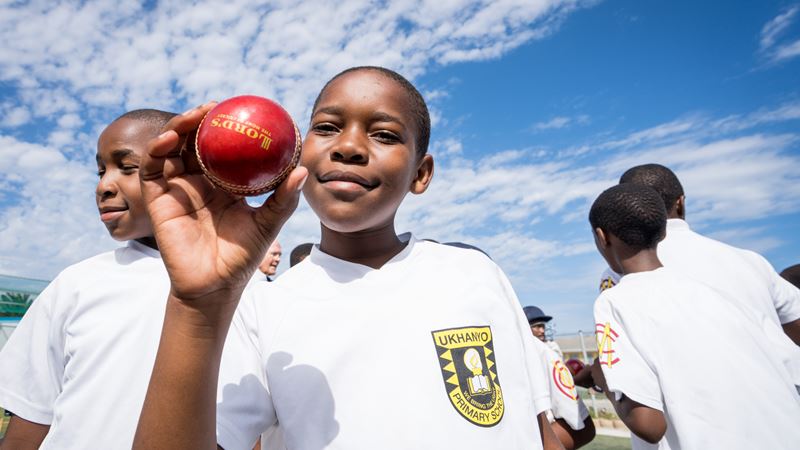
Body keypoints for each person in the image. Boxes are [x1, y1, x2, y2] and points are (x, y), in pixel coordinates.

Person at [133, 67, 562, 449]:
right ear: (297, 153)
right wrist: (196, 305)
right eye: (327, 127)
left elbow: (537, 427)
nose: (351, 146)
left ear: (421, 172)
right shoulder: (261, 308)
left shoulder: (475, 273)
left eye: (385, 134)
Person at [0, 109, 176, 449]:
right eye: (101, 170)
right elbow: (27, 428)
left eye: (127, 167)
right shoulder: (77, 284)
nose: (103, 186)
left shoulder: (245, 292)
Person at [587, 183, 800, 449]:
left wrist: (604, 379)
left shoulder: (615, 301)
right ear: (664, 232)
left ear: (601, 236)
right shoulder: (720, 295)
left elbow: (649, 425)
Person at [599, 164, 800, 346]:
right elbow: (795, 322)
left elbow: (619, 349)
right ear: (680, 203)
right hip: (780, 383)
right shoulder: (751, 261)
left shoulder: (624, 269)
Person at [524, 317, 595, 449]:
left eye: (542, 326)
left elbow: (581, 427)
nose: (541, 330)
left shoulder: (546, 352)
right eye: (537, 326)